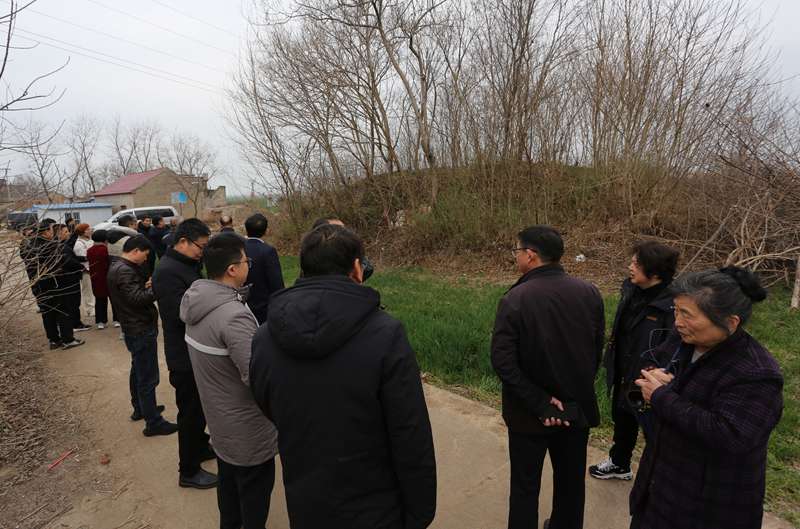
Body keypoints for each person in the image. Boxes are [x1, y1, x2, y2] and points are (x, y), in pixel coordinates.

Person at [249, 224, 437, 529]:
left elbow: (265, 400)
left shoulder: (264, 337)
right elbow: (409, 430)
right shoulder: (386, 334)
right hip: (376, 504)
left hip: (306, 498)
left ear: (303, 268)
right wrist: (420, 510)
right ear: (357, 269)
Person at [628, 267, 783, 529]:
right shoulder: (683, 341)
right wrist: (651, 376)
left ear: (731, 322)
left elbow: (731, 436)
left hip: (708, 506)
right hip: (659, 490)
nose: (677, 322)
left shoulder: (756, 373)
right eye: (676, 310)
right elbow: (656, 366)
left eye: (687, 314)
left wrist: (663, 396)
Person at [490, 225, 605, 529]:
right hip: (575, 411)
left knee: (525, 488)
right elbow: (595, 352)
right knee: (571, 486)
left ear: (531, 255)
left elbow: (502, 361)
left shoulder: (515, 299)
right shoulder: (590, 292)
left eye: (517, 251)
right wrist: (567, 399)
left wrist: (541, 403)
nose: (516, 256)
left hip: (528, 414)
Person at [181, 233, 278, 529]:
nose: (249, 265)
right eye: (246, 261)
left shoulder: (199, 301)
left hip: (220, 420)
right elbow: (257, 377)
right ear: (233, 269)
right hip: (247, 429)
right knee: (254, 493)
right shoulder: (233, 316)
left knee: (229, 485)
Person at [589, 241, 679, 481]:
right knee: (623, 418)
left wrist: (659, 375)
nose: (630, 267)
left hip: (650, 378)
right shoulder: (630, 289)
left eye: (636, 264)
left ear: (655, 272)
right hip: (624, 369)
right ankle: (620, 464)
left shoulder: (672, 305)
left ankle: (658, 478)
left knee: (654, 429)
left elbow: (675, 348)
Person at [152, 218, 216, 489]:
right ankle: (188, 470)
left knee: (199, 410)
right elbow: (179, 314)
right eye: (200, 246)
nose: (202, 252)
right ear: (182, 242)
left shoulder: (186, 265)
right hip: (184, 356)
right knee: (189, 414)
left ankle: (200, 447)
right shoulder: (168, 271)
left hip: (194, 350)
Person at [108, 235, 177, 436]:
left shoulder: (118, 267)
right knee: (148, 377)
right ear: (135, 250)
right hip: (140, 328)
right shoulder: (124, 270)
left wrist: (145, 286)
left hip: (133, 327)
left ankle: (141, 408)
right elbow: (137, 299)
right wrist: (156, 288)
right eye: (145, 255)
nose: (146, 259)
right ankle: (153, 422)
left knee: (138, 370)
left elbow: (131, 294)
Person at [27, 220, 84, 350]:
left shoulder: (29, 246)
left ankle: (54, 340)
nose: (53, 233)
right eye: (52, 230)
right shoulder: (51, 246)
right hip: (55, 285)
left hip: (38, 286)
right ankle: (68, 339)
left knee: (47, 313)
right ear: (46, 232)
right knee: (63, 311)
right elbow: (65, 261)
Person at [243, 213, 284, 325]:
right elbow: (276, 282)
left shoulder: (239, 249)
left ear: (246, 229)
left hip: (243, 304)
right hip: (264, 307)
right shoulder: (268, 251)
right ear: (266, 231)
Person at [54, 223, 91, 332]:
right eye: (65, 232)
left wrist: (84, 258)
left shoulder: (63, 245)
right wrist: (81, 266)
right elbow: (69, 261)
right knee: (73, 302)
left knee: (73, 302)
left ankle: (75, 322)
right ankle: (75, 324)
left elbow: (72, 257)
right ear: (58, 234)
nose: (68, 234)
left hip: (68, 277)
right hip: (69, 278)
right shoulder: (60, 247)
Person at [87, 230, 116, 329]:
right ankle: (117, 320)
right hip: (109, 276)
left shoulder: (90, 250)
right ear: (105, 239)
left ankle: (100, 321)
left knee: (99, 299)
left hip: (96, 277)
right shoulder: (106, 250)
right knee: (114, 299)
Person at [73, 223, 96, 322]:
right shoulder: (79, 243)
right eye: (88, 229)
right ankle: (89, 309)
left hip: (93, 268)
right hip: (86, 269)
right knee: (88, 290)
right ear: (82, 232)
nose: (90, 230)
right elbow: (83, 257)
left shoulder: (90, 240)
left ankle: (94, 307)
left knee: (93, 289)